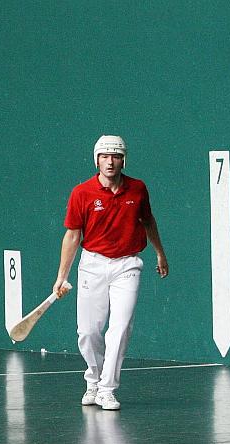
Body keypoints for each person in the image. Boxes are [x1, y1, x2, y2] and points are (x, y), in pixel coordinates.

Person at [53, 135, 169, 410]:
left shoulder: (138, 189)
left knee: (119, 329)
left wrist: (160, 252)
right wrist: (62, 276)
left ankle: (107, 389)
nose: (110, 161)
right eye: (104, 156)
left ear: (123, 160)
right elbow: (72, 236)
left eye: (115, 156)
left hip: (127, 265)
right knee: (88, 332)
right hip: (92, 265)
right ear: (96, 160)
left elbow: (148, 221)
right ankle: (93, 379)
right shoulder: (82, 193)